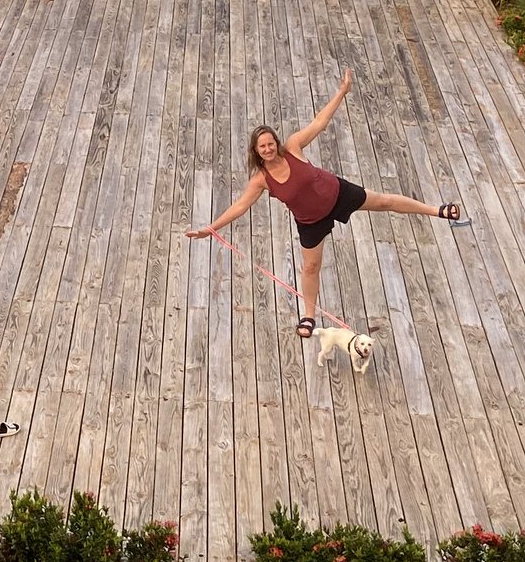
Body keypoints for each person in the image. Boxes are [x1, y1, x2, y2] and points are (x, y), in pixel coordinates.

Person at [185, 70, 462, 360]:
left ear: (276, 142)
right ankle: (308, 316)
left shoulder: (293, 146)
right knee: (311, 268)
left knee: (386, 201)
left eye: (269, 143)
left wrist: (342, 92)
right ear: (256, 151)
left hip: (337, 194)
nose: (267, 149)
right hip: (310, 221)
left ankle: (438, 210)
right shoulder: (261, 180)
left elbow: (320, 122)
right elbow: (239, 206)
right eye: (261, 147)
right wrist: (210, 228)